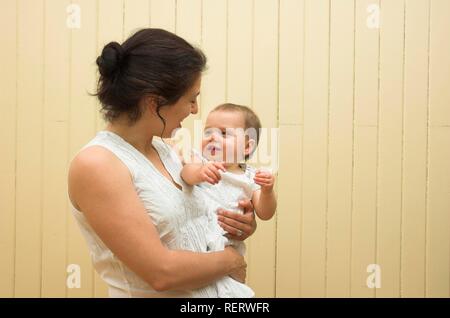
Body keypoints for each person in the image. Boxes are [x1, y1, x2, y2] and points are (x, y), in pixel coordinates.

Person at [67, 28, 257, 298]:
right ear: (153, 101)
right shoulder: (97, 164)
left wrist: (239, 222)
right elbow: (162, 272)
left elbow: (195, 224)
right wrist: (232, 261)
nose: (195, 110)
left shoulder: (166, 150)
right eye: (191, 99)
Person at [180, 103, 277, 297]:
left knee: (231, 293)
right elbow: (186, 174)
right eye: (208, 132)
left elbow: (265, 213)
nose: (213, 138)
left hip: (226, 249)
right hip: (195, 245)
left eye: (224, 134)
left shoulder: (250, 177)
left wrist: (267, 191)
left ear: (247, 146)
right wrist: (199, 172)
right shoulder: (201, 161)